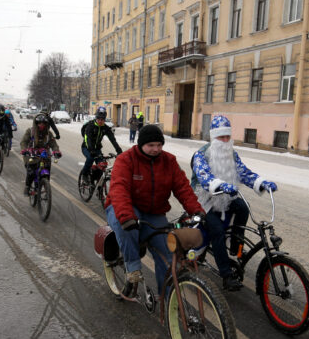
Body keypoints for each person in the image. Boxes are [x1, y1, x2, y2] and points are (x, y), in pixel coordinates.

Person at [105, 124, 205, 296]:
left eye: (159, 145)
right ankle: (133, 267)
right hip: (124, 207)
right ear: (140, 144)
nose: (155, 149)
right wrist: (126, 216)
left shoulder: (169, 161)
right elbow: (119, 189)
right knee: (126, 228)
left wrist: (196, 210)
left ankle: (167, 301)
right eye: (151, 145)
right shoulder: (126, 159)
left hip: (154, 212)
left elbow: (182, 188)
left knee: (167, 255)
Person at [191, 115, 277, 291]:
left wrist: (261, 182)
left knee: (243, 208)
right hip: (204, 199)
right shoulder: (201, 154)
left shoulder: (232, 154)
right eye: (220, 137)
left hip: (226, 195)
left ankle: (235, 246)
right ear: (213, 137)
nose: (224, 141)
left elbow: (243, 172)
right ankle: (226, 274)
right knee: (216, 229)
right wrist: (219, 184)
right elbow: (204, 177)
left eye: (227, 137)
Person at [20, 114, 61, 195]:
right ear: (36, 123)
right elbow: (24, 142)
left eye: (43, 123)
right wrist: (25, 150)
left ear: (46, 124)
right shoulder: (30, 131)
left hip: (44, 155)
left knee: (47, 168)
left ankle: (46, 186)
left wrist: (56, 151)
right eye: (39, 123)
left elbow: (53, 144)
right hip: (31, 154)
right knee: (31, 172)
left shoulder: (49, 133)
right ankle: (27, 187)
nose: (41, 125)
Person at [80, 106, 122, 183]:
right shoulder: (90, 126)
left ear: (104, 120)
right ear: (96, 118)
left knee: (102, 165)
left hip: (97, 149)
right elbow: (87, 139)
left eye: (102, 119)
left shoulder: (105, 128)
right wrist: (91, 150)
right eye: (98, 119)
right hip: (86, 147)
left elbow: (112, 140)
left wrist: (119, 150)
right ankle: (85, 174)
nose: (100, 121)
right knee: (90, 158)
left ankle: (96, 180)